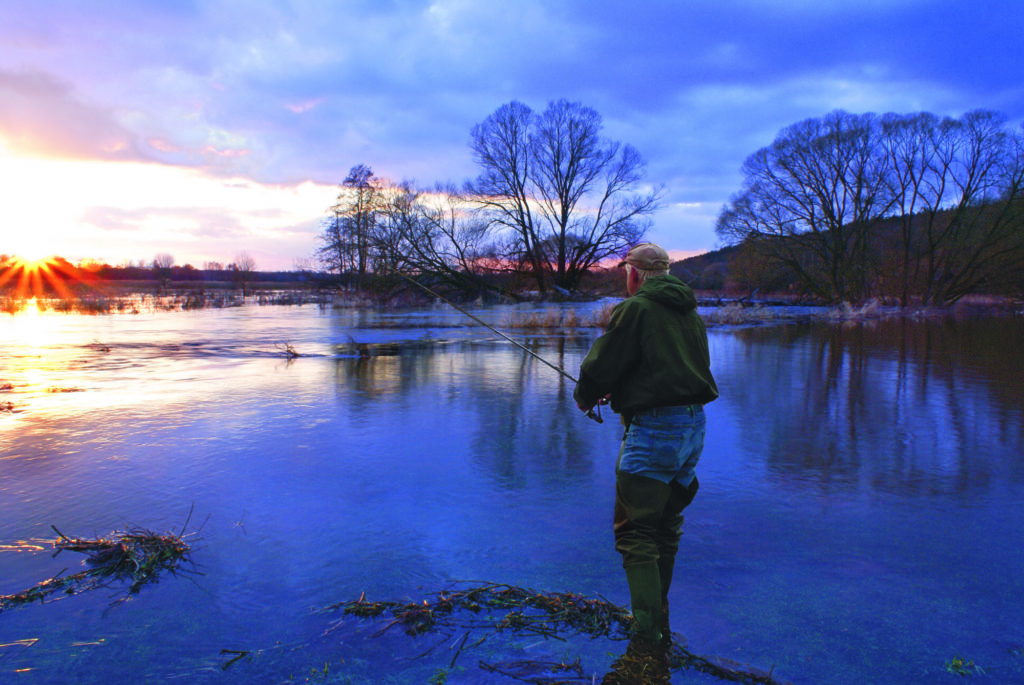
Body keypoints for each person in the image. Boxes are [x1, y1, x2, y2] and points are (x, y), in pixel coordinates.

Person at [573, 242, 719, 646]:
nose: (626, 279)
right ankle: (660, 615)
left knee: (635, 532)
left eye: (626, 273)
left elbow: (601, 365)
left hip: (656, 430)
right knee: (666, 527)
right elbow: (669, 372)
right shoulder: (689, 311)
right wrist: (621, 392)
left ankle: (647, 635)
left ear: (634, 274)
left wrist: (587, 395)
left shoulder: (635, 309)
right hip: (694, 427)